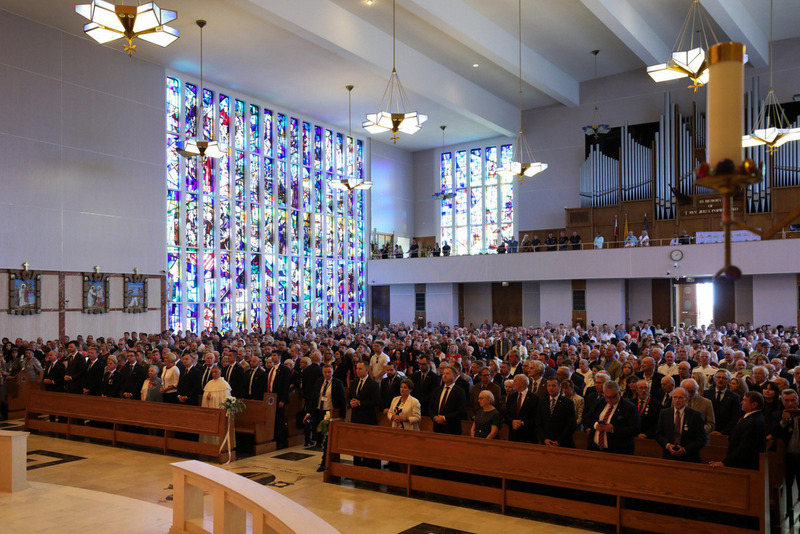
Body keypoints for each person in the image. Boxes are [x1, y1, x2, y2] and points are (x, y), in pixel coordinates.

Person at [710, 391, 767, 470]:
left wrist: (725, 462)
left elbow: (745, 448)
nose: (741, 402)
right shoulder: (749, 417)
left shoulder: (754, 422)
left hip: (745, 465)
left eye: (745, 400)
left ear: (754, 405)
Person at [586, 380, 640, 455]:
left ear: (619, 393)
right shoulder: (601, 402)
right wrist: (595, 425)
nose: (609, 400)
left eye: (612, 397)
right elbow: (587, 418)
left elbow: (635, 430)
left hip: (617, 450)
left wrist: (613, 429)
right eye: (606, 397)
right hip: (595, 447)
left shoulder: (630, 407)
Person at [655, 387, 707, 462]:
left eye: (680, 398)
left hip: (689, 457)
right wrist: (668, 446)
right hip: (669, 456)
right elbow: (658, 434)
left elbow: (701, 439)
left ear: (686, 399)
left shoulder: (695, 415)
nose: (677, 401)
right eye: (675, 397)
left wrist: (685, 449)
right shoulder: (664, 413)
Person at [349, 361, 381, 467]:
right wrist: (351, 401)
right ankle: (357, 464)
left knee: (367, 444)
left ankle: (368, 465)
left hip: (367, 418)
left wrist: (360, 403)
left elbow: (376, 401)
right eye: (357, 368)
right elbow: (349, 396)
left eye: (360, 369)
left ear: (367, 370)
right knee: (356, 444)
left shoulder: (373, 384)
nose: (357, 371)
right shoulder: (354, 382)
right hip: (355, 417)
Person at [538, 377, 577, 447]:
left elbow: (571, 425)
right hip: (546, 442)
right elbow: (539, 423)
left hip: (563, 443)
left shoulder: (568, 403)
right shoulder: (542, 402)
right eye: (549, 386)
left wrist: (559, 441)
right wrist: (544, 439)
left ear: (559, 387)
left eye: (554, 386)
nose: (551, 388)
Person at [430, 366, 467, 435]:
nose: (444, 375)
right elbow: (430, 408)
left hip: (452, 428)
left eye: (448, 373)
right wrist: (435, 417)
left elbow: (461, 411)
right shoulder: (437, 390)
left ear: (455, 376)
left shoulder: (459, 391)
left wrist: (444, 418)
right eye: (444, 373)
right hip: (437, 427)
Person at [200, 365, 231, 445]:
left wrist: (213, 397)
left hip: (218, 411)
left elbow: (225, 400)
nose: (213, 374)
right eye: (212, 372)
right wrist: (207, 397)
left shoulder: (224, 384)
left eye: (216, 372)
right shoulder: (209, 383)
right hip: (209, 411)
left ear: (220, 372)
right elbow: (204, 398)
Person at [506, 374, 538, 443]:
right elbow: (507, 414)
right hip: (513, 435)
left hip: (528, 435)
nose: (513, 383)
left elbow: (536, 417)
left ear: (522, 383)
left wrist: (522, 423)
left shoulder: (534, 398)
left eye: (515, 381)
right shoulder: (511, 397)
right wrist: (512, 422)